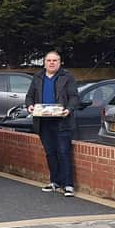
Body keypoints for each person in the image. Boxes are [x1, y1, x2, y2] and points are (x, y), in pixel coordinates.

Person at [25, 51, 79, 197]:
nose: (51, 63)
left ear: (60, 62)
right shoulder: (37, 77)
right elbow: (29, 96)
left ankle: (68, 185)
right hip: (43, 122)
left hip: (62, 122)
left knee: (63, 153)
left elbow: (74, 97)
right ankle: (55, 181)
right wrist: (29, 105)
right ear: (44, 62)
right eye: (49, 60)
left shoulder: (67, 77)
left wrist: (68, 109)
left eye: (55, 60)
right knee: (50, 153)